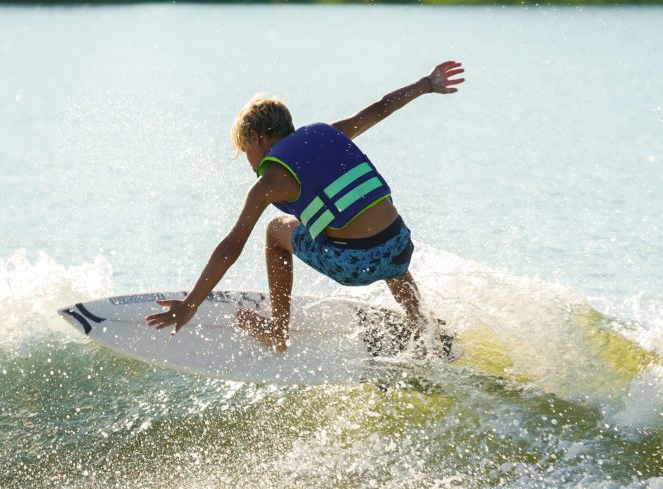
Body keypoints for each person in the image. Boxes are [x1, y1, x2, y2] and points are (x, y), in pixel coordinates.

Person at [146, 61, 465, 352]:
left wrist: (190, 305)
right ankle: (423, 324)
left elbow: (231, 246)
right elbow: (381, 107)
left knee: (275, 232)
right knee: (377, 230)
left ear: (256, 139)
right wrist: (426, 83)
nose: (248, 160)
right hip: (399, 248)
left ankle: (278, 332)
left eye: (245, 150)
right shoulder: (329, 135)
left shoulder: (268, 182)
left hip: (354, 265)